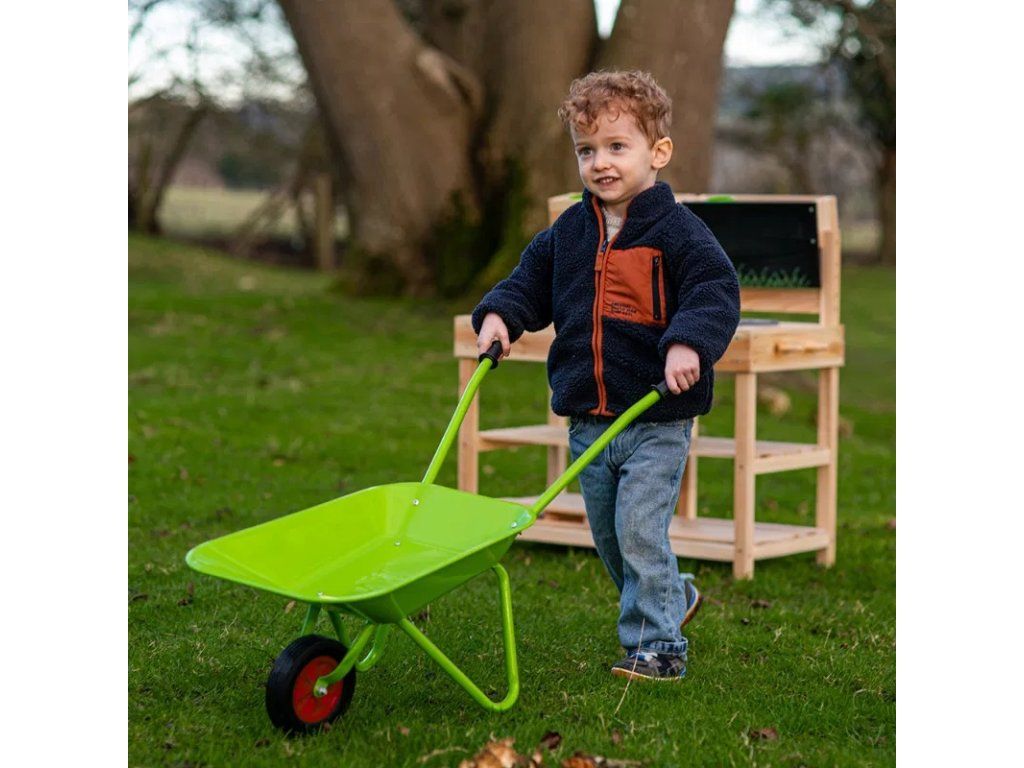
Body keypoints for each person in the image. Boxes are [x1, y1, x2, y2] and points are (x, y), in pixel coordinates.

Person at [472, 71, 740, 681]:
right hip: (587, 419)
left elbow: (715, 291)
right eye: (586, 150)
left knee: (639, 529)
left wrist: (688, 343)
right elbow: (527, 284)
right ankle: (673, 596)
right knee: (614, 540)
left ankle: (658, 648)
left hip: (654, 417)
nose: (601, 163)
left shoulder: (679, 233)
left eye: (617, 146)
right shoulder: (568, 233)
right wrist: (500, 316)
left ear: (658, 152)